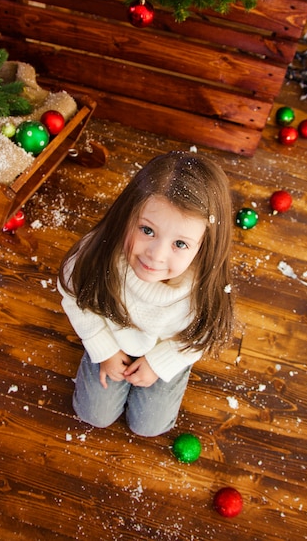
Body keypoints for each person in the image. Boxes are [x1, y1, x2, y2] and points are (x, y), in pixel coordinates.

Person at [58, 151, 234, 437]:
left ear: (205, 246)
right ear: (128, 214)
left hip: (167, 347)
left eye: (180, 243)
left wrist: (161, 362)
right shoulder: (99, 255)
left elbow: (203, 334)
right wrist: (103, 348)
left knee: (148, 426)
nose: (156, 256)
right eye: (147, 230)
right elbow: (74, 296)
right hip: (114, 338)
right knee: (93, 415)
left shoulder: (204, 290)